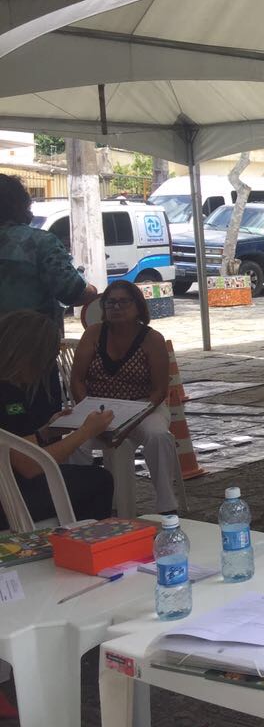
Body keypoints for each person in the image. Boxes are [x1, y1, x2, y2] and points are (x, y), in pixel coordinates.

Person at [67, 280, 178, 513]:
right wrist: (89, 414)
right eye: (111, 302)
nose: (116, 307)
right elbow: (77, 379)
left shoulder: (152, 339)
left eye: (124, 302)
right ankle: (80, 505)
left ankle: (167, 506)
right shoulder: (93, 334)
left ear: (138, 306)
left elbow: (159, 390)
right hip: (98, 407)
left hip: (144, 406)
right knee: (75, 443)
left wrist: (129, 422)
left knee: (159, 436)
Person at [0, 311, 114, 529]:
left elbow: (14, 443)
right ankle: (84, 541)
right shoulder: (8, 393)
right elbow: (31, 466)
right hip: (9, 499)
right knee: (99, 481)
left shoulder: (9, 387)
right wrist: (85, 432)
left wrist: (45, 433)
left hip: (9, 484)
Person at [0, 173, 98, 411]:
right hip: (29, 355)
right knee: (31, 416)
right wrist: (91, 290)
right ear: (21, 205)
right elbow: (71, 291)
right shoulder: (38, 242)